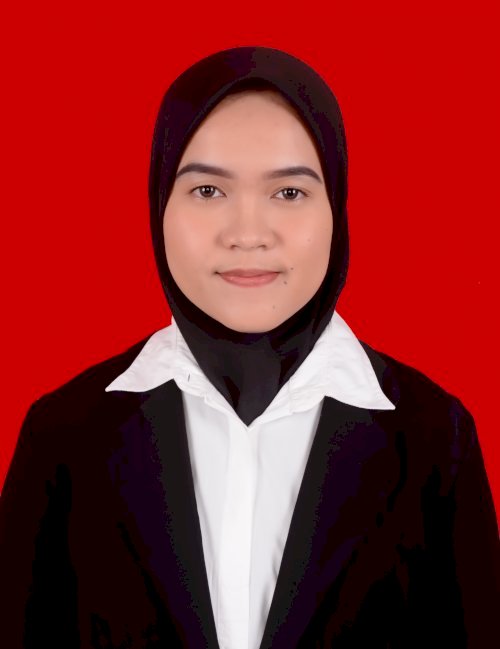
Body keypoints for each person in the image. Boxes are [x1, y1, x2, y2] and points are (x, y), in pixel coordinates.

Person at [0, 45, 498, 649]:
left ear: (336, 209)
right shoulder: (64, 435)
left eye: (289, 193)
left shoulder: (435, 438)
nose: (247, 234)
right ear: (159, 205)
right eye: (208, 190)